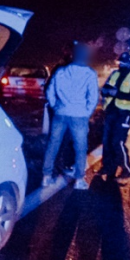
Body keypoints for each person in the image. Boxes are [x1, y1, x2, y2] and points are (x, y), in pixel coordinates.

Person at [42, 42, 99, 190]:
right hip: (79, 116)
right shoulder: (90, 74)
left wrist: (56, 106)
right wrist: (86, 112)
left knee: (53, 144)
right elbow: (93, 98)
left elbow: (49, 92)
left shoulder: (60, 71)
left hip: (60, 113)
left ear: (73, 55)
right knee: (80, 147)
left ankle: (46, 177)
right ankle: (79, 179)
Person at [98, 51, 130, 179]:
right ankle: (107, 167)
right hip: (111, 111)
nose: (120, 64)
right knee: (107, 141)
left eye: (123, 62)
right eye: (120, 62)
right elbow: (107, 86)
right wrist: (105, 91)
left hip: (125, 113)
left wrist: (117, 93)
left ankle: (127, 169)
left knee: (118, 141)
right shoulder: (115, 73)